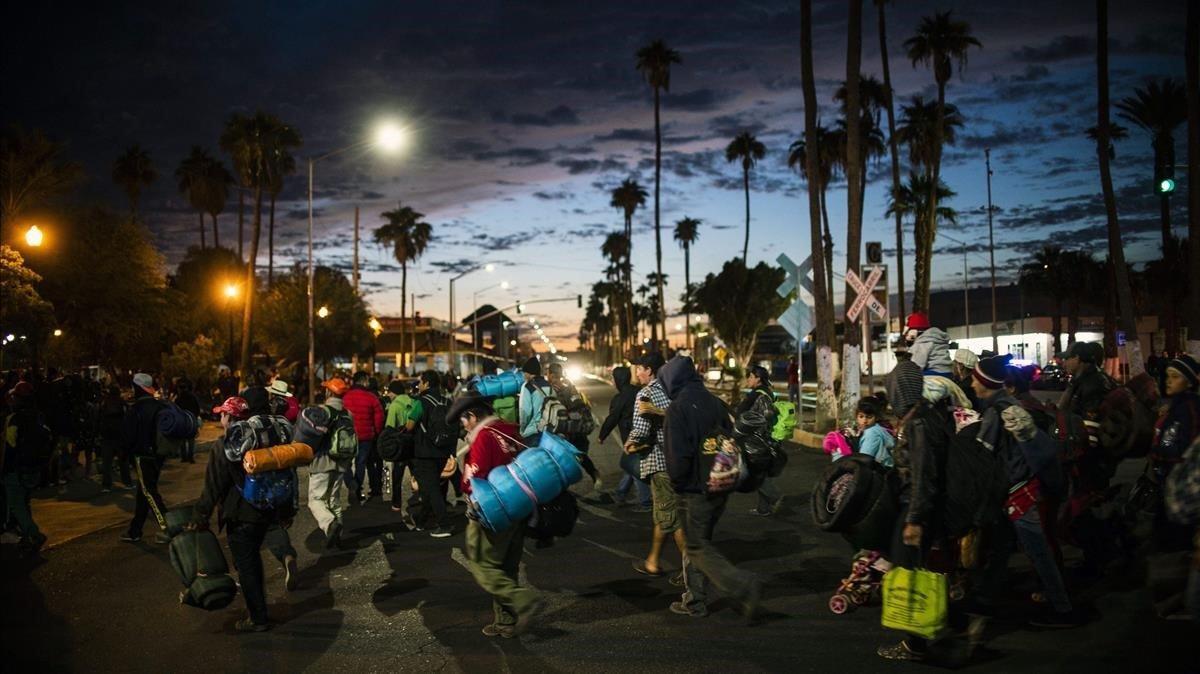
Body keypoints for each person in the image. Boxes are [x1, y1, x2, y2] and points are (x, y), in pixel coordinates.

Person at [971, 354, 1080, 629]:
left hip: (1017, 492)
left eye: (975, 379)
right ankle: (984, 599)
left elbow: (983, 457)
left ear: (986, 383)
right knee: (1002, 546)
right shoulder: (1011, 405)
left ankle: (1063, 610)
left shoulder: (997, 411)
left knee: (1037, 552)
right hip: (1025, 488)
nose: (971, 384)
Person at [660, 356, 762, 619]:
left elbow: (677, 455)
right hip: (721, 482)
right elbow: (732, 434)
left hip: (695, 488)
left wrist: (678, 484)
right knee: (700, 540)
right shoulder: (715, 402)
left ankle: (742, 585)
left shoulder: (678, 408)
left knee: (695, 545)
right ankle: (694, 600)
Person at [191, 395, 296, 633]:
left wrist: (200, 516)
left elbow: (213, 486)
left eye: (223, 414)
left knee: (247, 566)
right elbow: (286, 474)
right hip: (267, 511)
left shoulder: (225, 444)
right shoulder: (265, 439)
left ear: (230, 417)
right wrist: (286, 510)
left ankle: (257, 618)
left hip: (240, 516)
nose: (221, 418)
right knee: (252, 563)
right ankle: (258, 610)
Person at [877, 359, 954, 661]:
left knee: (910, 572)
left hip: (916, 509)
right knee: (916, 569)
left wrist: (914, 520)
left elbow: (923, 474)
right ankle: (935, 627)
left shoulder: (918, 424)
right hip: (917, 507)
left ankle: (915, 643)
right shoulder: (924, 414)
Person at [452, 390, 544, 637]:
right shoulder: (508, 428)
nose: (462, 425)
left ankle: (524, 601)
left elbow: (475, 477)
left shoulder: (482, 437)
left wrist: (461, 483)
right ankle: (505, 622)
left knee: (484, 566)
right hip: (520, 505)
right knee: (508, 565)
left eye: (463, 419)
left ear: (471, 416)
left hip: (494, 509)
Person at [626, 353, 682, 580]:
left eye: (638, 368)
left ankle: (693, 571)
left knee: (671, 517)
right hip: (681, 460)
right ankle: (653, 560)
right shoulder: (675, 389)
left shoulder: (646, 393)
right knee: (666, 514)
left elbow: (640, 431)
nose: (637, 373)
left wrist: (630, 444)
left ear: (649, 370)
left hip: (659, 461)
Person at [297, 378, 355, 550]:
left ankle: (330, 525)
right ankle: (337, 536)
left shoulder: (322, 411)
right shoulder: (348, 414)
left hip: (322, 461)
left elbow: (310, 435)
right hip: (341, 463)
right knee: (334, 500)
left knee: (315, 500)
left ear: (328, 392)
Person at [405, 371, 456, 538]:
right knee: (429, 488)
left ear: (426, 384)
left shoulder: (421, 402)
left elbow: (410, 426)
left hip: (425, 452)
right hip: (443, 450)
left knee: (431, 489)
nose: (419, 385)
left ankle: (445, 524)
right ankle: (421, 521)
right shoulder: (447, 401)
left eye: (420, 382)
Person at [120, 373, 169, 544]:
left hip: (143, 456)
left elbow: (128, 436)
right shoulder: (159, 406)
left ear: (137, 388)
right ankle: (135, 530)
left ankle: (170, 527)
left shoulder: (135, 409)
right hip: (159, 455)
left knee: (148, 492)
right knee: (144, 491)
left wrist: (123, 456)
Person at [1, 382, 49, 555]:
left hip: (16, 468)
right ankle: (26, 534)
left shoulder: (14, 419)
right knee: (24, 501)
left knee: (15, 504)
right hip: (34, 468)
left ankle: (33, 534)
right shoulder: (38, 416)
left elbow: (8, 446)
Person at [599, 366, 650, 511]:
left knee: (634, 468)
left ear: (618, 380)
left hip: (632, 438)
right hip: (643, 435)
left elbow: (612, 418)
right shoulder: (638, 392)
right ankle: (621, 494)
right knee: (629, 465)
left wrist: (602, 435)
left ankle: (645, 502)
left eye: (612, 378)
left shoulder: (620, 398)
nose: (612, 381)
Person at [546, 362, 601, 491]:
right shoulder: (570, 385)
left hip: (565, 429)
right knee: (581, 455)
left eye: (548, 373)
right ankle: (595, 474)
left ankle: (563, 489)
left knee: (561, 459)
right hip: (578, 427)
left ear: (551, 374)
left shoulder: (552, 389)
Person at [740, 365, 783, 517]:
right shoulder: (766, 392)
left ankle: (775, 496)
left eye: (750, 376)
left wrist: (752, 424)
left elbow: (767, 414)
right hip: (761, 438)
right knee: (760, 471)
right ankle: (763, 508)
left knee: (754, 472)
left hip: (757, 439)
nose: (748, 379)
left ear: (757, 378)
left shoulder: (761, 394)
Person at [343, 371, 385, 505]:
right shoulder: (371, 397)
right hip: (366, 437)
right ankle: (356, 485)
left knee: (346, 463)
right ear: (363, 381)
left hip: (348, 436)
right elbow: (379, 419)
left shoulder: (345, 397)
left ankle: (351, 484)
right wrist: (376, 432)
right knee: (360, 463)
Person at [384, 379, 417, 513]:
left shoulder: (394, 405)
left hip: (400, 445)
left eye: (390, 393)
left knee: (397, 476)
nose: (389, 396)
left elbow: (389, 426)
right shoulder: (413, 402)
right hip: (414, 443)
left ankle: (396, 503)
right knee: (416, 473)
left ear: (394, 392)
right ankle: (419, 496)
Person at [96, 384, 131, 493]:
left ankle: (107, 485)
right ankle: (127, 482)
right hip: (120, 436)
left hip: (107, 436)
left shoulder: (104, 403)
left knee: (107, 462)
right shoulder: (122, 403)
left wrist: (98, 433)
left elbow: (98, 418)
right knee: (123, 461)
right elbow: (128, 418)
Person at [904, 312, 953, 377]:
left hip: (934, 373)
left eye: (908, 331)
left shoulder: (922, 341)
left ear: (913, 331)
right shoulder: (935, 337)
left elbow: (917, 366)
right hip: (948, 372)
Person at [518, 356, 552, 443]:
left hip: (534, 431)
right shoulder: (549, 385)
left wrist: (522, 431)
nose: (523, 375)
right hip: (550, 430)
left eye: (524, 372)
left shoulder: (527, 386)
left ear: (528, 373)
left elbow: (525, 412)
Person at [855, 396, 895, 468]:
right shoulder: (878, 429)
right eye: (861, 416)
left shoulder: (871, 433)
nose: (864, 421)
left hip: (878, 473)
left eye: (869, 417)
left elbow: (863, 460)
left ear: (876, 417)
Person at [173, 378, 201, 464]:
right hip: (191, 420)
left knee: (182, 440)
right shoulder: (193, 397)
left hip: (182, 421)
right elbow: (197, 408)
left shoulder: (178, 399)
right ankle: (190, 457)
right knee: (191, 440)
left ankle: (184, 457)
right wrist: (195, 417)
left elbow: (175, 410)